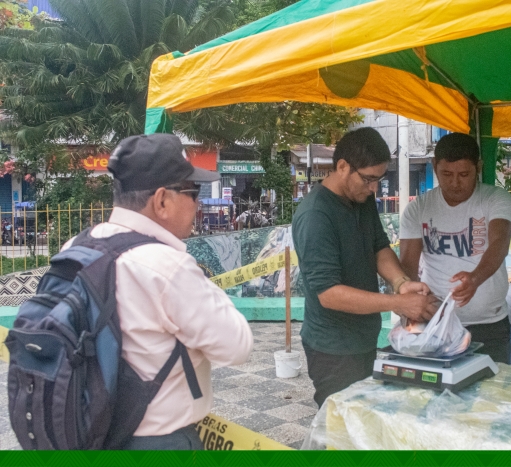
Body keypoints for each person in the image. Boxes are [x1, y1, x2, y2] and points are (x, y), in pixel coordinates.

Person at [66, 134, 254, 449]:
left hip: (87, 431)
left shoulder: (77, 246)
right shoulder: (168, 267)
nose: (199, 203)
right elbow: (237, 346)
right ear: (162, 200)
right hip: (159, 442)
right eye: (193, 192)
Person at [292, 127, 439, 408]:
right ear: (343, 166)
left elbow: (378, 246)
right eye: (369, 179)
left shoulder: (362, 199)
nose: (374, 188)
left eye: (378, 179)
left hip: (363, 339)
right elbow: (329, 294)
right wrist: (398, 303)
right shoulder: (315, 216)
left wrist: (400, 283)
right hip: (332, 349)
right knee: (340, 433)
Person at [400, 133, 511, 363]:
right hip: (434, 321)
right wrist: (407, 306)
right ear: (434, 167)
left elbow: (499, 243)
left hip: (488, 327)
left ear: (478, 168)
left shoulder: (496, 199)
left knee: (490, 395)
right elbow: (407, 266)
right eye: (446, 174)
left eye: (464, 174)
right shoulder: (418, 208)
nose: (455, 183)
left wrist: (475, 278)